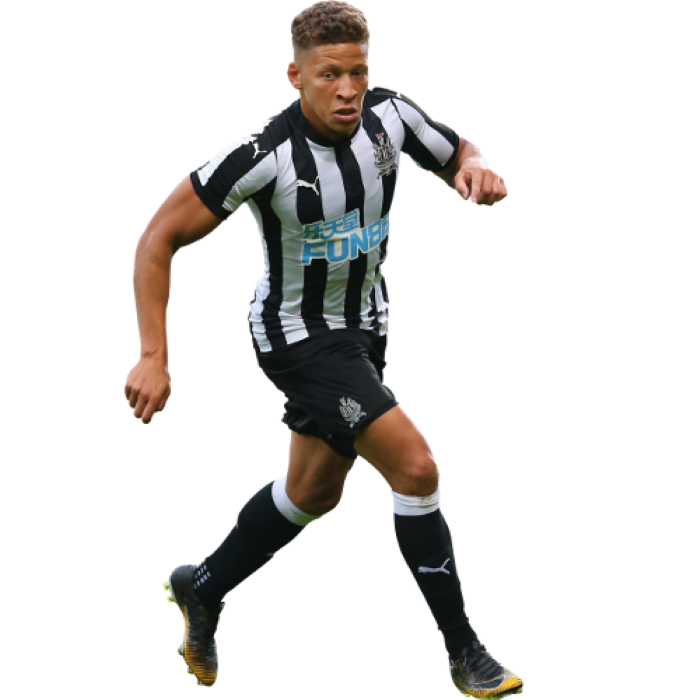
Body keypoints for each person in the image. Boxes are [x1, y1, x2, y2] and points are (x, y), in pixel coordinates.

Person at [125, 1, 519, 697]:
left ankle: (202, 586)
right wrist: (154, 354)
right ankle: (466, 652)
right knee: (416, 469)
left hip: (367, 327)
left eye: (357, 72)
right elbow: (157, 238)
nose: (346, 89)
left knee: (314, 491)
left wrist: (475, 169)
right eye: (329, 74)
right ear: (295, 76)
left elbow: (459, 149)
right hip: (299, 338)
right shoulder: (263, 156)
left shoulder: (391, 116)